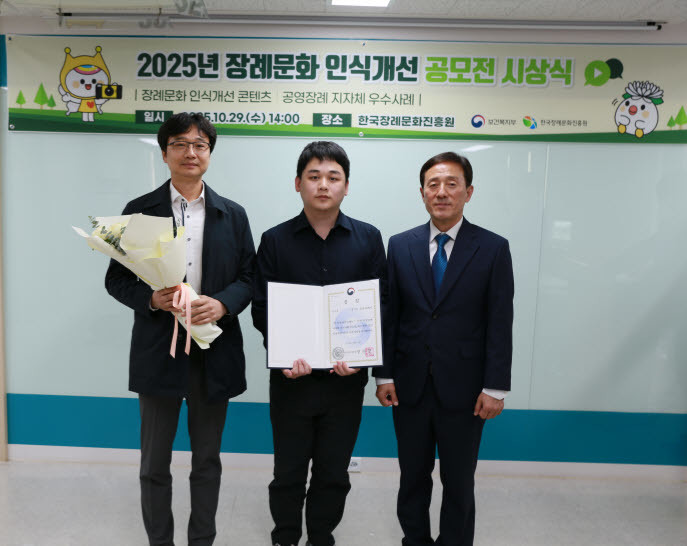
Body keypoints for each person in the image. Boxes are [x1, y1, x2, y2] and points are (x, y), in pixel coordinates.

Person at [105, 112, 255, 546]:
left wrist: (222, 303)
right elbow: (117, 280)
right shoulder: (139, 211)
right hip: (159, 350)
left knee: (207, 460)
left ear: (209, 153)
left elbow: (249, 277)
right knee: (154, 463)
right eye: (180, 144)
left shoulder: (233, 214)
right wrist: (152, 299)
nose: (191, 152)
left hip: (214, 351)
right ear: (165, 151)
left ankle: (201, 540)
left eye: (200, 145)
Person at [374, 152, 514, 546]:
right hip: (409, 385)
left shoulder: (493, 248)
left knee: (459, 481)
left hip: (467, 389)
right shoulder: (400, 245)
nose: (442, 192)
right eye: (433, 184)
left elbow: (500, 321)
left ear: (468, 192)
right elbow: (391, 316)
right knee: (412, 478)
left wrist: (495, 387)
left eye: (452, 184)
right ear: (422, 192)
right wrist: (383, 375)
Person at [252, 141, 386, 546]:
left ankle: (321, 536)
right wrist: (281, 354)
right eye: (313, 176)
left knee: (333, 471)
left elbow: (380, 304)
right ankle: (285, 536)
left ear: (346, 186)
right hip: (292, 380)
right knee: (288, 470)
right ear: (298, 184)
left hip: (346, 381)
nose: (323, 185)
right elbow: (262, 307)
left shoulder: (368, 238)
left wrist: (364, 359)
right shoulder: (275, 240)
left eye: (333, 177)